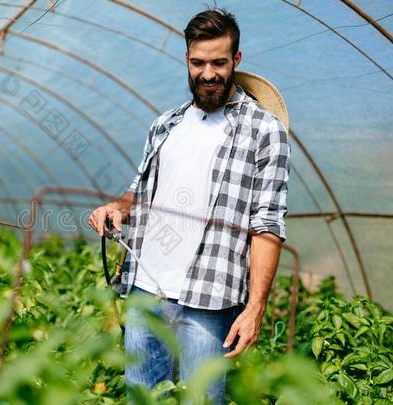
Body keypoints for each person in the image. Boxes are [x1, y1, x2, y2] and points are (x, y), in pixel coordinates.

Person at [88, 8, 291, 404]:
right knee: (142, 397)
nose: (208, 73)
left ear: (236, 60)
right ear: (187, 60)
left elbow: (267, 224)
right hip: (145, 288)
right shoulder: (166, 124)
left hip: (210, 299)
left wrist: (256, 308)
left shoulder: (264, 131)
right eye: (198, 63)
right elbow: (138, 192)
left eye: (219, 62)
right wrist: (117, 207)